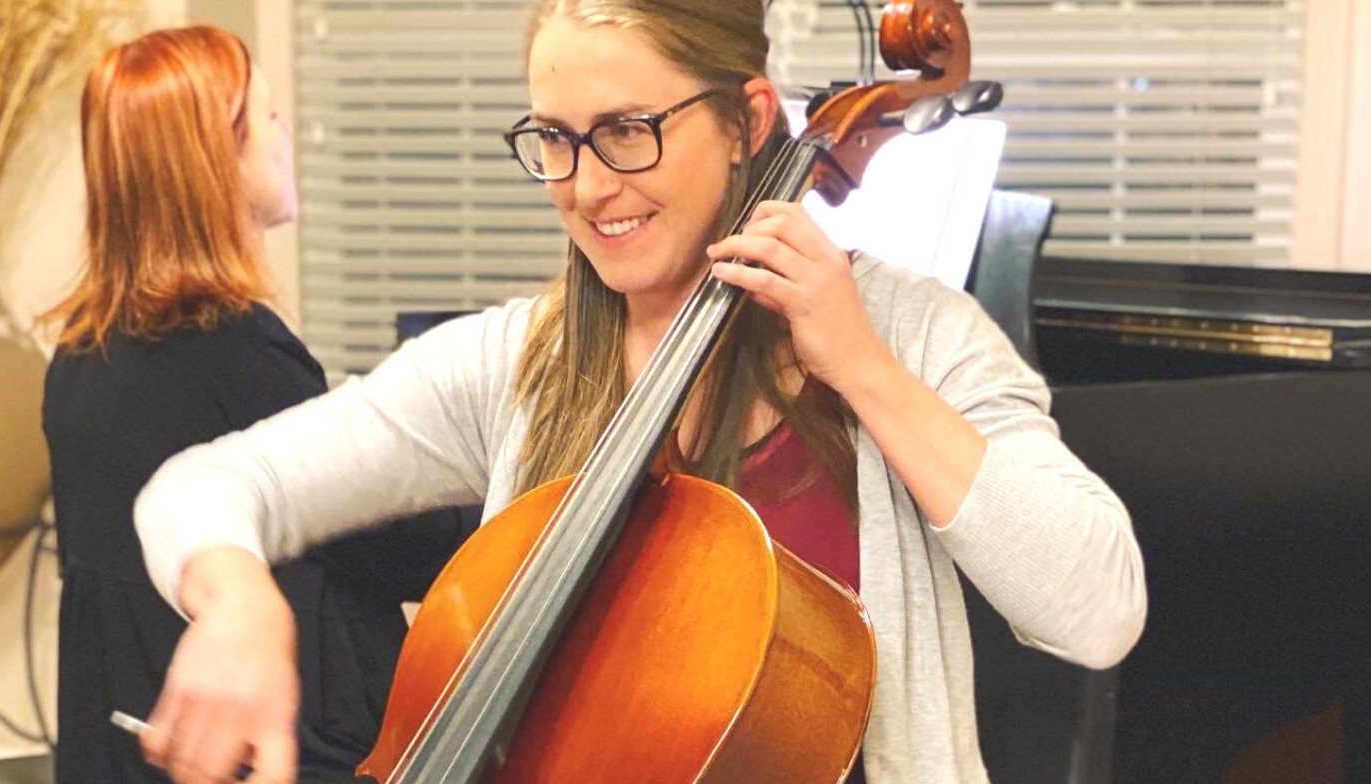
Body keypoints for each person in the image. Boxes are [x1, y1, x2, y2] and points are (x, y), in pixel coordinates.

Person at [132, 3, 1147, 782]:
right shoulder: (517, 362)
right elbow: (207, 486)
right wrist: (235, 602)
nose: (583, 185)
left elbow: (1099, 610)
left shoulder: (915, 336)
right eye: (555, 139)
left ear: (748, 118)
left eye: (625, 130)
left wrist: (865, 368)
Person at [40, 26, 464, 784]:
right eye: (269, 119)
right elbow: (390, 540)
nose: (287, 136)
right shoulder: (234, 353)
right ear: (215, 163)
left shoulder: (79, 354)